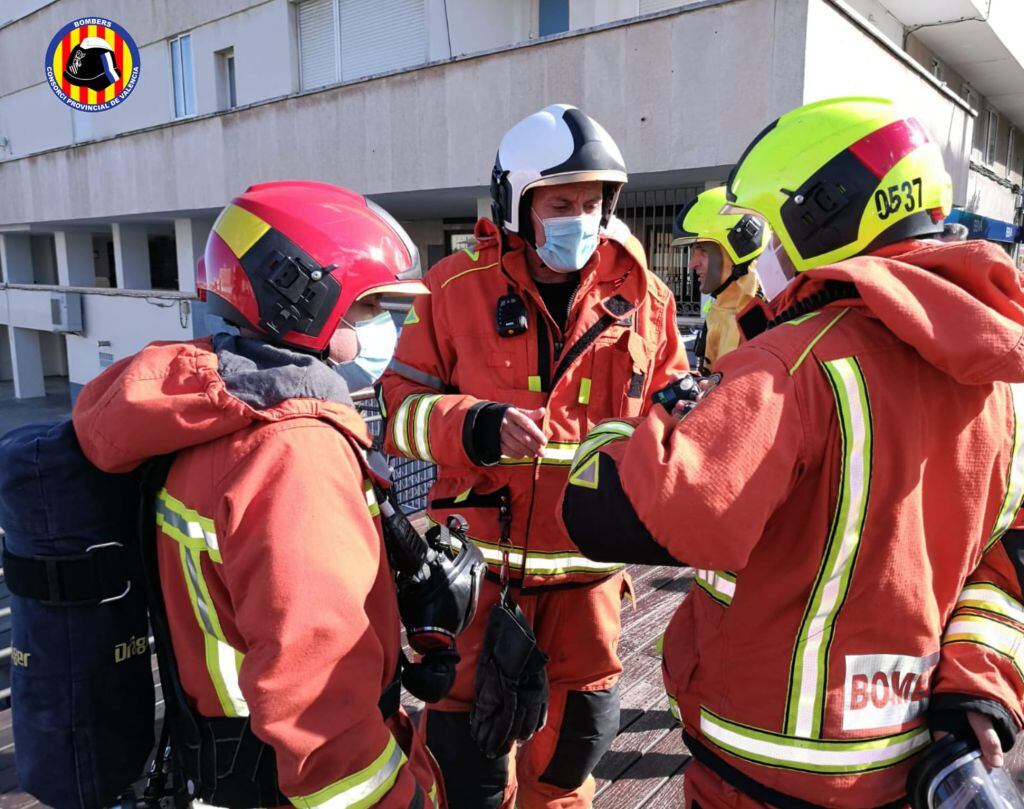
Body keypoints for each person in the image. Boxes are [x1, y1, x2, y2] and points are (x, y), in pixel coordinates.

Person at [561, 97, 1024, 808]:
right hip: (911, 759)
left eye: (767, 231)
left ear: (822, 217)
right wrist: (980, 687)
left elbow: (637, 513)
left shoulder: (794, 361)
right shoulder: (1010, 390)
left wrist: (620, 434)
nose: (760, 253)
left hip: (758, 765)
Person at [72, 181, 445, 808]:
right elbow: (317, 697)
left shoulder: (210, 410)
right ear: (306, 300)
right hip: (285, 780)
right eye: (371, 308)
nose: (385, 329)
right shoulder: (293, 452)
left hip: (222, 762)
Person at [378, 103, 688, 809]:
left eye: (592, 202)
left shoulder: (645, 298)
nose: (581, 217)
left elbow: (671, 404)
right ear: (517, 202)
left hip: (590, 589)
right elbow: (399, 410)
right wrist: (477, 424)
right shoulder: (450, 289)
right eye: (562, 202)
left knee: (568, 769)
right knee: (469, 774)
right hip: (478, 586)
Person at [671, 186, 768, 372]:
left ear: (739, 249)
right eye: (693, 252)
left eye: (704, 251)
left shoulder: (765, 318)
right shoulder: (719, 309)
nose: (692, 264)